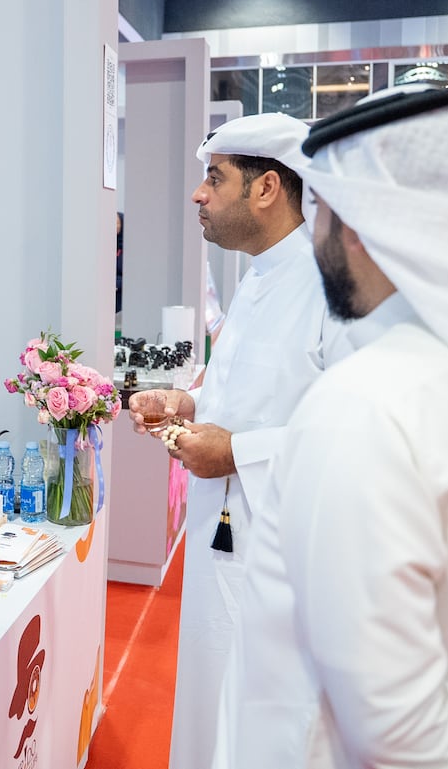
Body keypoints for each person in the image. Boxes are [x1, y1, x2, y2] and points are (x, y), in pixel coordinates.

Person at [215, 83, 448, 767]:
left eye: (321, 211)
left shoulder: (367, 407)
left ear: (362, 226)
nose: (313, 236)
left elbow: (397, 736)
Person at [128, 112, 347, 769]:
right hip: (220, 534)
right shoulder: (258, 275)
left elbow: (350, 434)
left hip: (280, 550)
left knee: (266, 720)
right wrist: (186, 403)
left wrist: (236, 452)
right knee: (210, 693)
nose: (199, 194)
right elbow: (245, 393)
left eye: (215, 178)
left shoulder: (330, 284)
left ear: (267, 188)